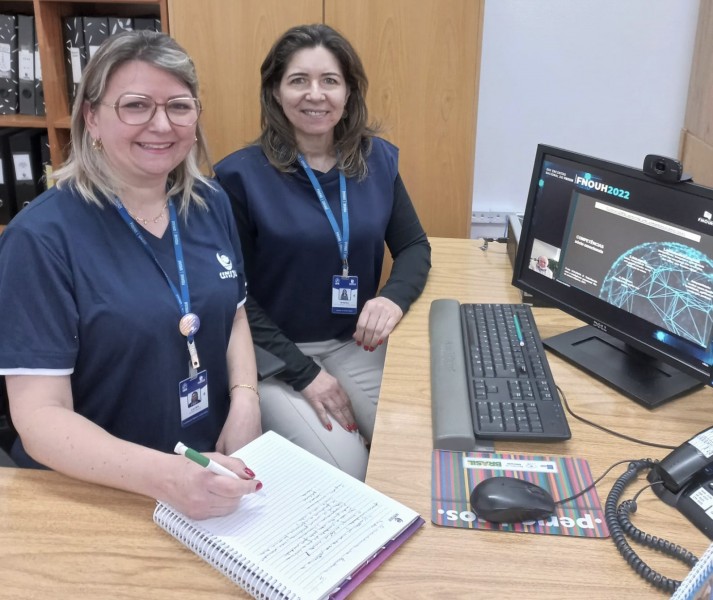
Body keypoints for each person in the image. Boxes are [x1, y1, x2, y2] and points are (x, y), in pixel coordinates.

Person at [0, 31, 262, 520]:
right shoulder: (40, 238)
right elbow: (39, 417)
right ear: (91, 118)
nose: (161, 125)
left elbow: (236, 315)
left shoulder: (210, 204)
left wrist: (246, 400)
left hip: (209, 468)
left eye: (179, 106)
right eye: (136, 106)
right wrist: (165, 477)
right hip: (101, 492)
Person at [214, 23, 431, 480]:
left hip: (356, 343)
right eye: (299, 80)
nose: (316, 95)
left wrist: (392, 298)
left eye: (329, 80)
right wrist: (304, 374)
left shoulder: (377, 160)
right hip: (274, 355)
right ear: (275, 92)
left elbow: (413, 246)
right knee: (350, 471)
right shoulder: (238, 178)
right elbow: (232, 295)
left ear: (348, 92)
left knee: (415, 450)